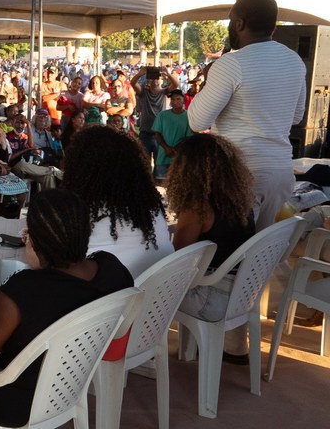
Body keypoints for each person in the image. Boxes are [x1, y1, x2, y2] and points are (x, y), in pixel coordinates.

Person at [0, 189, 134, 428]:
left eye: (28, 233)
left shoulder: (24, 290)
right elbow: (55, 306)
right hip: (70, 385)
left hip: (17, 402)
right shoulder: (112, 269)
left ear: (36, 241)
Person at [187, 0, 306, 231]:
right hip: (281, 171)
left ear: (239, 23)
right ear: (273, 26)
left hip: (242, 173)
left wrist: (209, 80)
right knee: (264, 254)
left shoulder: (231, 63)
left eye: (231, 20)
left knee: (235, 256)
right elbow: (296, 117)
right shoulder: (294, 60)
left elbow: (197, 122)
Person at [166, 133, 256, 363]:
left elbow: (177, 258)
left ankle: (144, 356)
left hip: (213, 300)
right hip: (242, 294)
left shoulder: (199, 207)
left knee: (146, 291)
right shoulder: (240, 201)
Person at [62, 126, 173, 278]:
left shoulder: (83, 215)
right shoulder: (149, 209)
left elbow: (49, 262)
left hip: (107, 297)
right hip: (158, 294)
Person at [131, 65, 179, 175]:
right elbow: (133, 84)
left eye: (157, 78)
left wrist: (167, 73)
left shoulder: (164, 92)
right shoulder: (143, 92)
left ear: (161, 80)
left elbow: (176, 84)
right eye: (152, 78)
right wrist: (140, 74)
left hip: (160, 135)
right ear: (148, 80)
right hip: (145, 133)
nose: (154, 81)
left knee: (160, 166)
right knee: (144, 165)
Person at [151, 89, 193, 181]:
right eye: (173, 99)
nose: (175, 102)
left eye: (178, 99)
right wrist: (166, 148)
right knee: (161, 184)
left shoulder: (188, 116)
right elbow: (157, 133)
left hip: (180, 157)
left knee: (178, 183)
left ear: (183, 100)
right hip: (163, 156)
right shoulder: (162, 115)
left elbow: (188, 137)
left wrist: (175, 149)